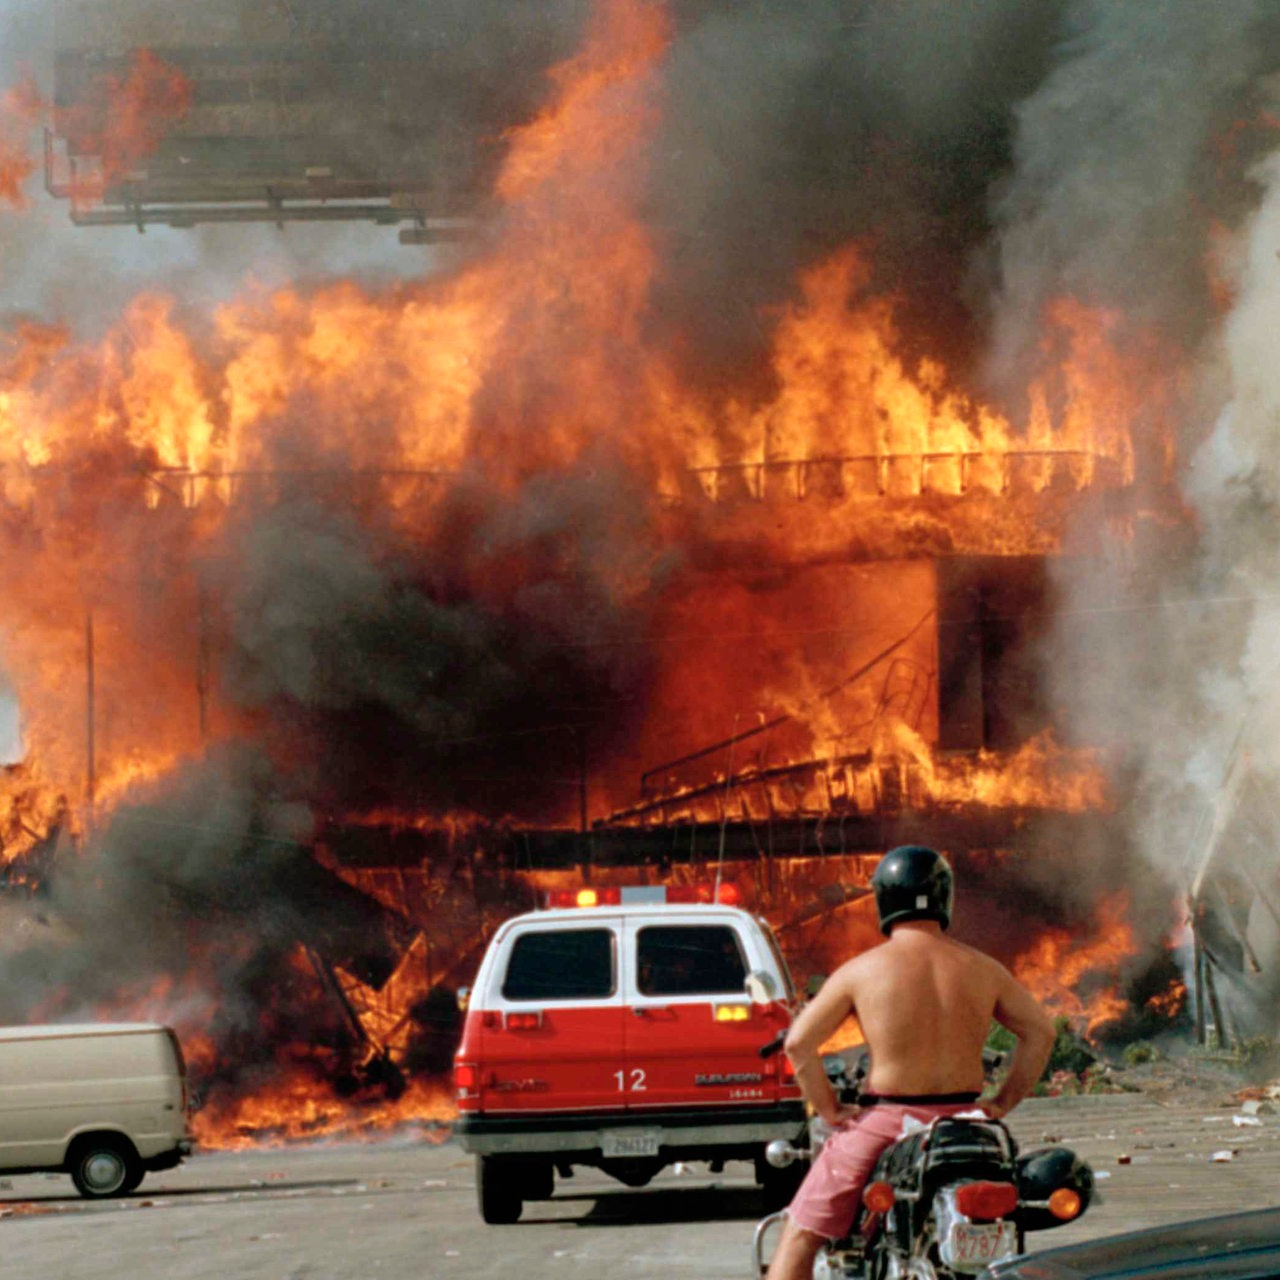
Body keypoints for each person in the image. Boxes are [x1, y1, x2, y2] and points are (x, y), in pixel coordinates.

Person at [766, 845, 1055, 1280]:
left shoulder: (861, 970)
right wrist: (1001, 1102)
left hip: (889, 1121)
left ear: (884, 900)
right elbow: (1041, 1032)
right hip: (969, 1123)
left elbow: (799, 1046)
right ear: (944, 899)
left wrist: (830, 1110)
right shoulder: (984, 968)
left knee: (801, 1234)